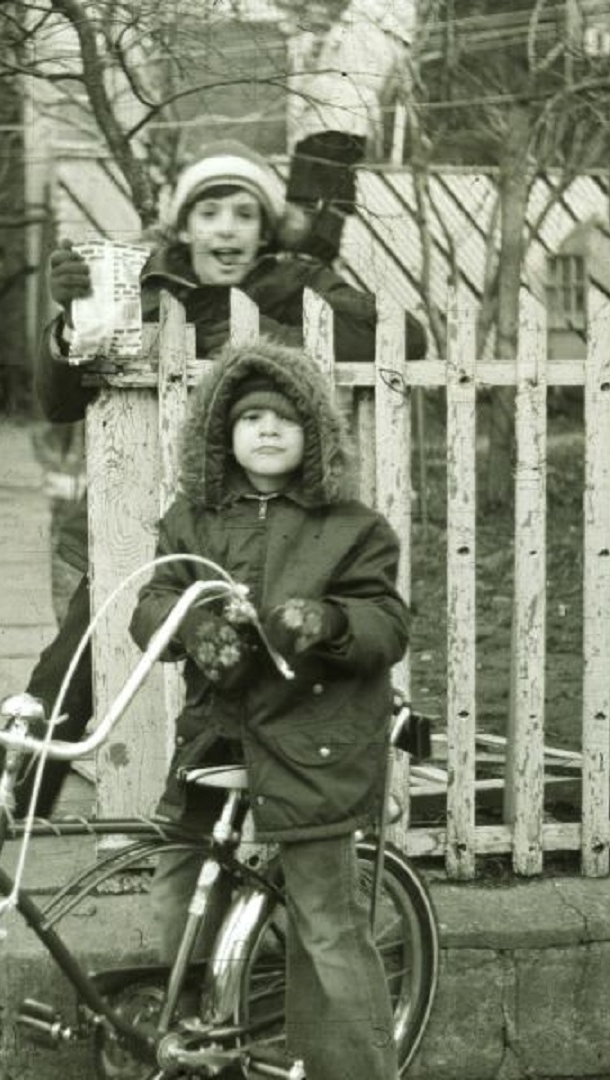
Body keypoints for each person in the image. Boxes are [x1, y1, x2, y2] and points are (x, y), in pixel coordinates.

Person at [0, 139, 425, 843]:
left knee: (265, 673)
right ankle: (7, 804)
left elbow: (406, 342)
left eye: (244, 214)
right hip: (139, 514)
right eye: (209, 213)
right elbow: (61, 399)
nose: (226, 229)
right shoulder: (142, 286)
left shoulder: (297, 282)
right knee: (70, 668)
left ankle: (261, 831)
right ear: (184, 225)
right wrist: (69, 319)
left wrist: (277, 309)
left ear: (265, 228)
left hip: (263, 524)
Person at [129, 337, 410, 1080]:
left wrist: (329, 622)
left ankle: (353, 1070)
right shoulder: (192, 519)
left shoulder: (353, 527)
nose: (267, 430)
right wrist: (193, 627)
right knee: (180, 889)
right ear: (221, 434)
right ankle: (196, 1045)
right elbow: (153, 599)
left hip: (313, 736)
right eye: (250, 418)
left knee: (325, 920)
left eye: (286, 419)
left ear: (314, 435)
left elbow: (387, 621)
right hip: (215, 733)